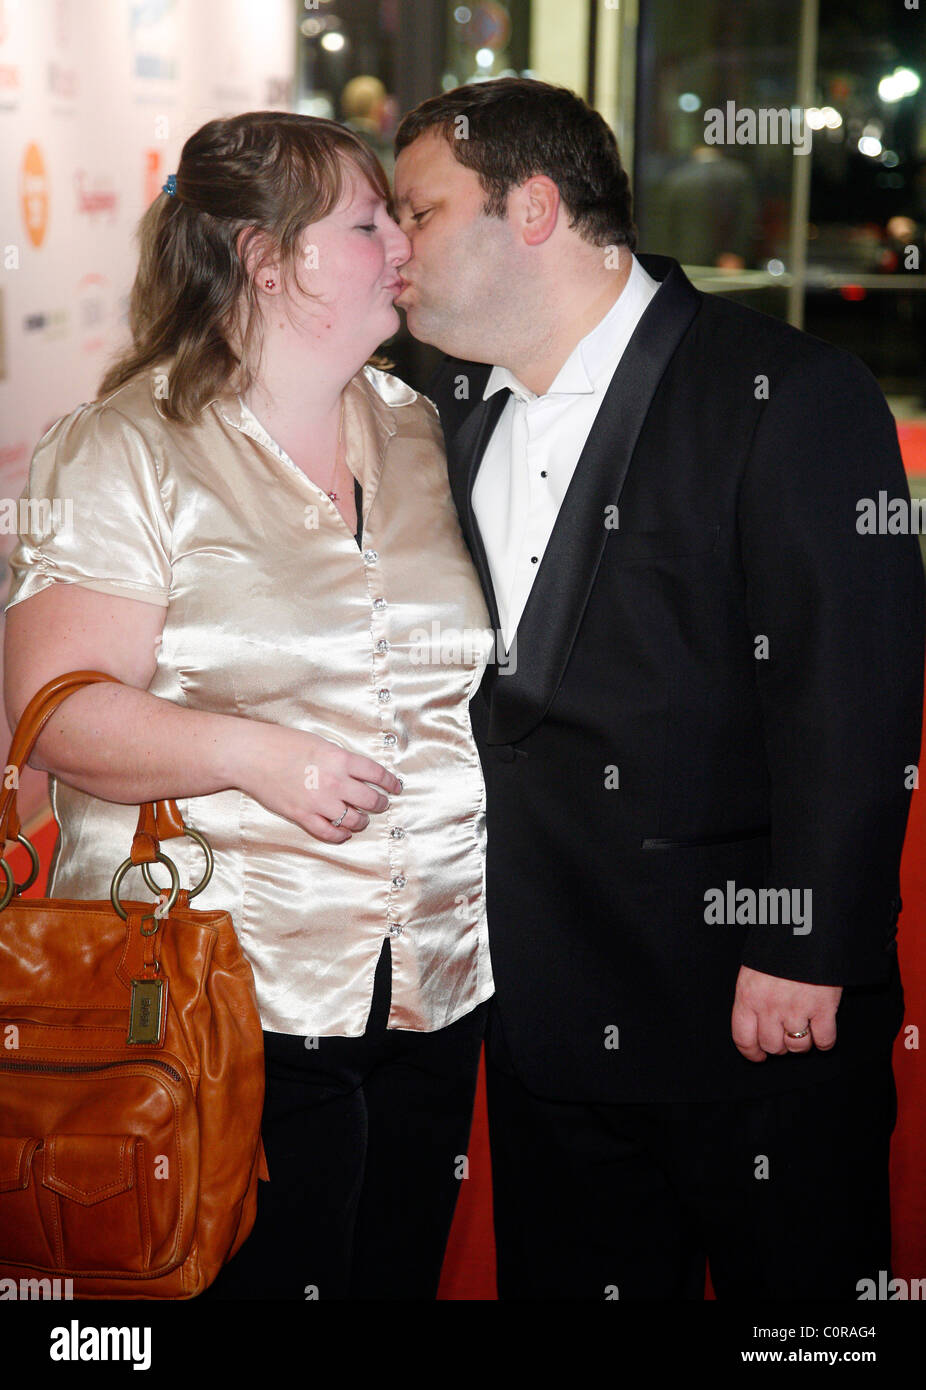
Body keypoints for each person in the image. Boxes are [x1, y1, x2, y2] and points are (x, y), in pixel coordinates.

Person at [392, 77, 925, 1300]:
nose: (393, 249)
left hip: (751, 1010)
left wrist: (804, 942)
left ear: (529, 209)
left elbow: (848, 691)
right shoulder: (447, 409)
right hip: (543, 1015)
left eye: (415, 212)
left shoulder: (785, 392)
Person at [3, 111, 494, 1301]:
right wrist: (252, 754)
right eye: (367, 221)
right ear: (268, 260)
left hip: (432, 984)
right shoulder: (129, 445)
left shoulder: (423, 426)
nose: (399, 242)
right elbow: (52, 713)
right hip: (219, 999)